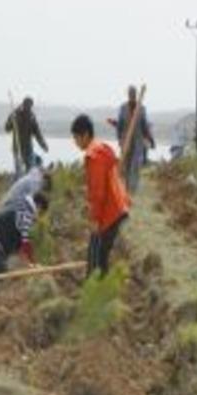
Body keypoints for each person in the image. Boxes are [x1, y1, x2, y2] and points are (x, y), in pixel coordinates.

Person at [71, 114, 131, 275]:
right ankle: (99, 290)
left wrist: (95, 219)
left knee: (96, 256)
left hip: (109, 212)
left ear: (85, 135)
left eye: (76, 138)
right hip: (118, 207)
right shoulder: (101, 148)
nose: (75, 142)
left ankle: (95, 291)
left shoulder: (94, 156)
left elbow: (98, 192)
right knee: (99, 253)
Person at [0, 193, 49, 277]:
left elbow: (19, 246)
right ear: (39, 206)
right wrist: (31, 264)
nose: (38, 217)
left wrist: (29, 263)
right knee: (3, 271)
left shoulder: (22, 204)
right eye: (41, 213)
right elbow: (23, 246)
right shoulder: (25, 216)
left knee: (8, 261)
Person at [115, 86, 155, 193]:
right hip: (125, 140)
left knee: (135, 164)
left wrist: (151, 139)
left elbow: (144, 126)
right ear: (128, 94)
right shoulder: (123, 108)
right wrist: (119, 139)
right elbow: (119, 125)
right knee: (127, 164)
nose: (131, 95)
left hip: (138, 140)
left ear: (136, 94)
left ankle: (133, 188)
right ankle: (126, 187)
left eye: (133, 93)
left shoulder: (141, 108)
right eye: (130, 93)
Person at [5, 97, 48, 174]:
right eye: (27, 106)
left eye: (30, 107)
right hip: (17, 148)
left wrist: (43, 145)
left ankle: (29, 184)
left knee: (30, 170)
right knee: (19, 171)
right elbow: (7, 129)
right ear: (23, 105)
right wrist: (11, 120)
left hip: (28, 148)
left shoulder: (31, 117)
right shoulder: (15, 114)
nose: (29, 109)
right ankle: (19, 183)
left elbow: (37, 133)